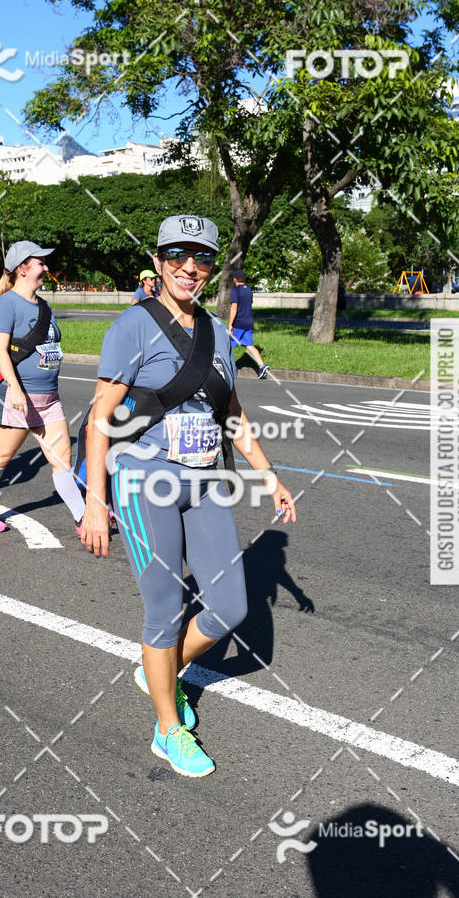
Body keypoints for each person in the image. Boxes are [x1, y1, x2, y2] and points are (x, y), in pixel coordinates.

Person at [81, 215, 296, 778]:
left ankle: (160, 668)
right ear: (158, 261)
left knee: (230, 606)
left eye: (200, 257)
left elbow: (230, 413)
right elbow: (100, 422)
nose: (189, 266)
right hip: (141, 479)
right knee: (164, 610)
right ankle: (167, 729)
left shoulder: (219, 334)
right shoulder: (132, 326)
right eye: (177, 254)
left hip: (203, 480)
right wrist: (95, 502)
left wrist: (267, 473)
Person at [0, 240, 85, 534]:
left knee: (61, 460)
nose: (46, 267)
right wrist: (16, 389)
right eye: (40, 263)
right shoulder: (7, 304)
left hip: (49, 399)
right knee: (0, 456)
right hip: (19, 397)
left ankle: (84, 517)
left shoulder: (43, 305)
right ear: (22, 269)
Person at [228, 270, 269, 379]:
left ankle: (228, 368)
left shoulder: (235, 291)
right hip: (248, 322)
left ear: (235, 279)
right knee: (249, 345)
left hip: (238, 323)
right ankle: (262, 365)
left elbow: (234, 307)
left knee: (227, 344)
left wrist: (230, 324)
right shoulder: (249, 290)